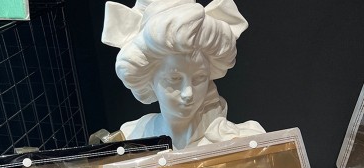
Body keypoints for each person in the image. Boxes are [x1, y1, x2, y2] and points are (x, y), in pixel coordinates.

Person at [102, 0, 265, 149]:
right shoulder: (130, 139)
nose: (188, 93)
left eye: (200, 78)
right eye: (174, 79)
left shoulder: (246, 142)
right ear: (148, 79)